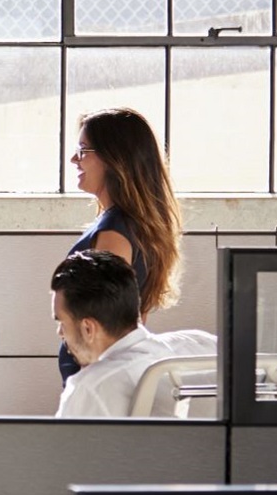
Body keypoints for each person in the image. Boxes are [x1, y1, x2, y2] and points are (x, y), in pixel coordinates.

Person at [61, 107, 184, 382]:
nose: (74, 159)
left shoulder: (114, 233)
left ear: (114, 159)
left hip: (95, 384)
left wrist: (89, 389)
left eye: (83, 150)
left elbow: (104, 329)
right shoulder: (130, 226)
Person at [52, 251, 179, 418]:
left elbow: (64, 444)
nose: (60, 332)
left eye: (61, 322)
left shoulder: (91, 388)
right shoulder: (199, 343)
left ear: (88, 329)